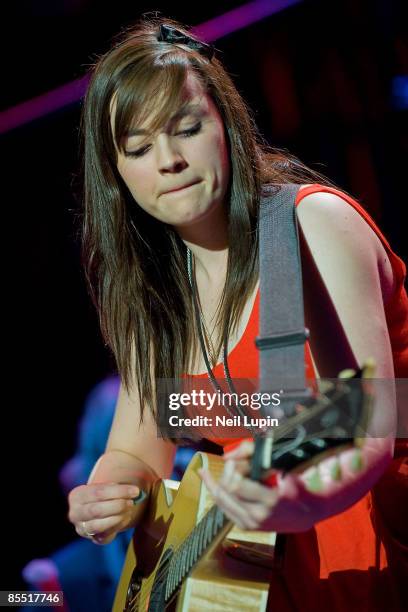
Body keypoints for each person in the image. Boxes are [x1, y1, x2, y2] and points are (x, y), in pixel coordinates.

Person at [67, 15, 408, 611]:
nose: (168, 160)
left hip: (376, 540)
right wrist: (107, 495)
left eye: (187, 129)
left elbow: (369, 421)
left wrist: (300, 503)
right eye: (140, 149)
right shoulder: (158, 294)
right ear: (116, 174)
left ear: (226, 125)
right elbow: (135, 454)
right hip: (255, 571)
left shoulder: (311, 224)